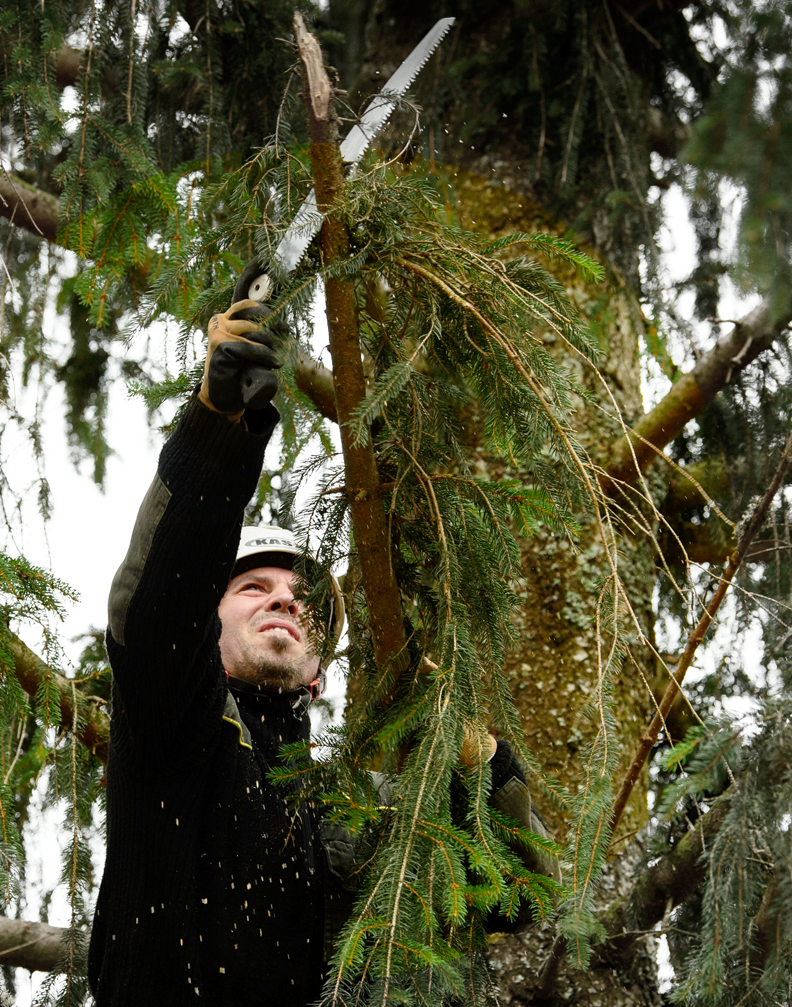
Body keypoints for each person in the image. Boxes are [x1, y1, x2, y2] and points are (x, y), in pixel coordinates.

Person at [88, 292, 548, 1005]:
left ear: (321, 672)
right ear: (205, 631)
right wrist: (217, 430)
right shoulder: (171, 732)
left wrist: (476, 762)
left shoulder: (356, 813)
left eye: (302, 595)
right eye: (251, 586)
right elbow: (155, 605)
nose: (283, 598)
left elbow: (522, 902)